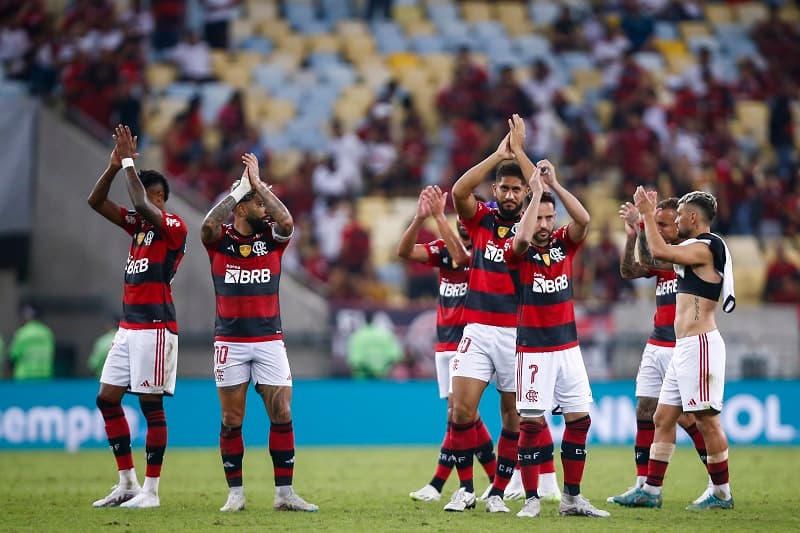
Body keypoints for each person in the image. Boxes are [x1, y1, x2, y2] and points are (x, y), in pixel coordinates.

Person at [445, 117, 558, 513]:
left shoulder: (533, 229)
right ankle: (465, 489)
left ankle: (497, 491)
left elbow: (541, 189)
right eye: (504, 188)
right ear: (495, 189)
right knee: (461, 409)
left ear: (525, 193)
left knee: (513, 418)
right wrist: (498, 154)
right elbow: (458, 191)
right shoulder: (481, 218)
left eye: (517, 189)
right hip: (477, 328)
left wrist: (522, 155)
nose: (510, 195)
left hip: (515, 333)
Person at [503, 120, 609, 518]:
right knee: (531, 424)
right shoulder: (521, 252)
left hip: (568, 348)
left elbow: (584, 221)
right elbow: (523, 238)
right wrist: (535, 197)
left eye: (550, 219)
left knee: (580, 420)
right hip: (534, 350)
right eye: (541, 219)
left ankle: (572, 498)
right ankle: (532, 500)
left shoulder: (565, 243)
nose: (546, 226)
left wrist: (555, 186)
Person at [201, 152, 317, 513]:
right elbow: (206, 225)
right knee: (231, 419)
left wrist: (259, 186)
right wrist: (240, 191)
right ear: (239, 207)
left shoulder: (272, 238)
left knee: (281, 411)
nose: (263, 206)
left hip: (269, 339)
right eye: (256, 201)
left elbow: (286, 220)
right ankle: (235, 493)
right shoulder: (219, 240)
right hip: (230, 341)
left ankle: (284, 494)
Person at [615, 189, 736, 510]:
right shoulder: (692, 249)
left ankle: (721, 492)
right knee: (663, 416)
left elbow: (657, 248)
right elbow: (648, 259)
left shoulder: (708, 245)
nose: (678, 220)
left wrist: (644, 214)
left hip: (701, 344)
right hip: (683, 346)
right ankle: (651, 490)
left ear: (693, 218)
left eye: (680, 215)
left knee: (707, 422)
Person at [87, 124, 188, 509]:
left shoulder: (172, 227)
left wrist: (129, 160)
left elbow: (141, 204)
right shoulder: (138, 227)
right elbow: (95, 202)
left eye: (146, 194)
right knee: (107, 399)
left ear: (159, 197)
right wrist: (115, 166)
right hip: (129, 327)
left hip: (156, 326)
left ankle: (151, 492)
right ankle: (127, 483)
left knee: (150, 406)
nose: (138, 201)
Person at [399, 186, 499, 502]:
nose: (461, 225)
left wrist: (440, 216)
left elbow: (461, 256)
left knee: (459, 415)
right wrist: (419, 218)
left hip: (470, 343)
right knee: (462, 417)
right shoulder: (443, 249)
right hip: (444, 343)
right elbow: (404, 252)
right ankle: (495, 480)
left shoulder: (485, 254)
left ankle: (450, 486)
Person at [346, 312, 403, 378]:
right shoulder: (385, 334)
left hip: (363, 381)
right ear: (375, 319)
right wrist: (380, 370)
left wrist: (371, 371)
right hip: (382, 378)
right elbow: (396, 356)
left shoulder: (357, 336)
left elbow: (354, 361)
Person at [8, 305, 55, 380]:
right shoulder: (46, 332)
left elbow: (13, 356)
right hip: (43, 376)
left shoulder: (23, 333)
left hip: (25, 376)